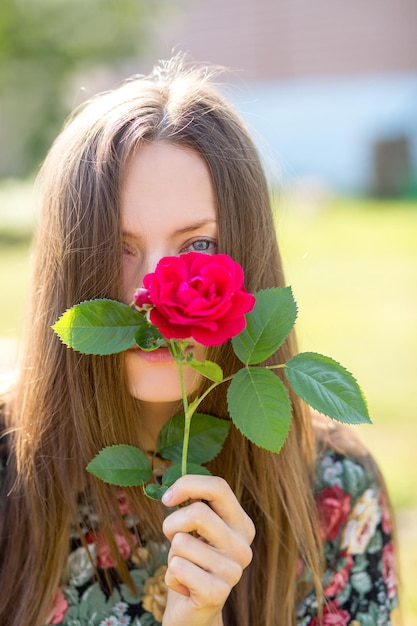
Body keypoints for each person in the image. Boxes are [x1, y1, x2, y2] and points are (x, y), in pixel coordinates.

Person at [0, 56, 398, 626]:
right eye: (118, 248)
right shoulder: (7, 465)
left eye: (198, 247)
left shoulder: (332, 493)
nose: (151, 294)